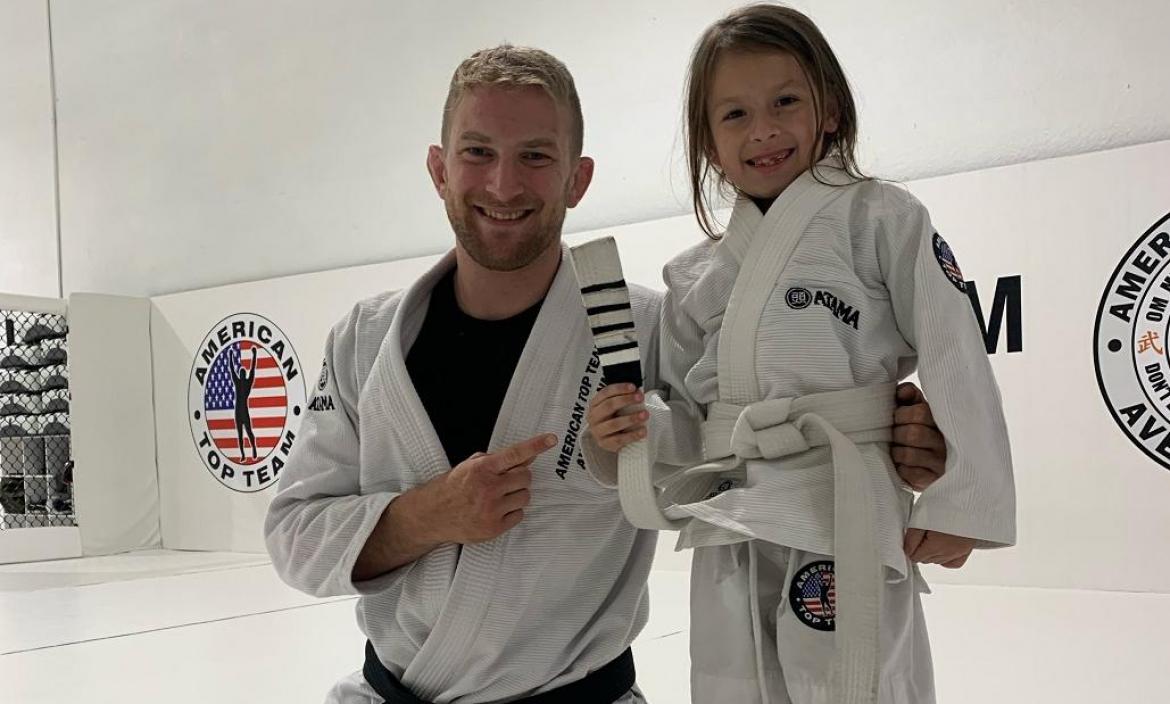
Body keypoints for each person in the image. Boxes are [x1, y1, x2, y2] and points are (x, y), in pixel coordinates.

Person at [265, 44, 951, 704]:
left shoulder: (648, 327)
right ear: (440, 169)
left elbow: (760, 438)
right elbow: (295, 535)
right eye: (478, 153)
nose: (504, 184)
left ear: (577, 178)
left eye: (536, 155)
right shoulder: (366, 339)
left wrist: (890, 438)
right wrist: (426, 515)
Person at [586, 5, 1016, 704]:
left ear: (831, 109)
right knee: (730, 683)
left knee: (857, 683)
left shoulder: (882, 219)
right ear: (708, 144)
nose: (763, 130)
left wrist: (962, 500)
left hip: (842, 502)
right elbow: (684, 418)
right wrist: (625, 438)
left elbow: (955, 348)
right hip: (729, 515)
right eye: (734, 115)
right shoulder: (692, 275)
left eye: (785, 101)